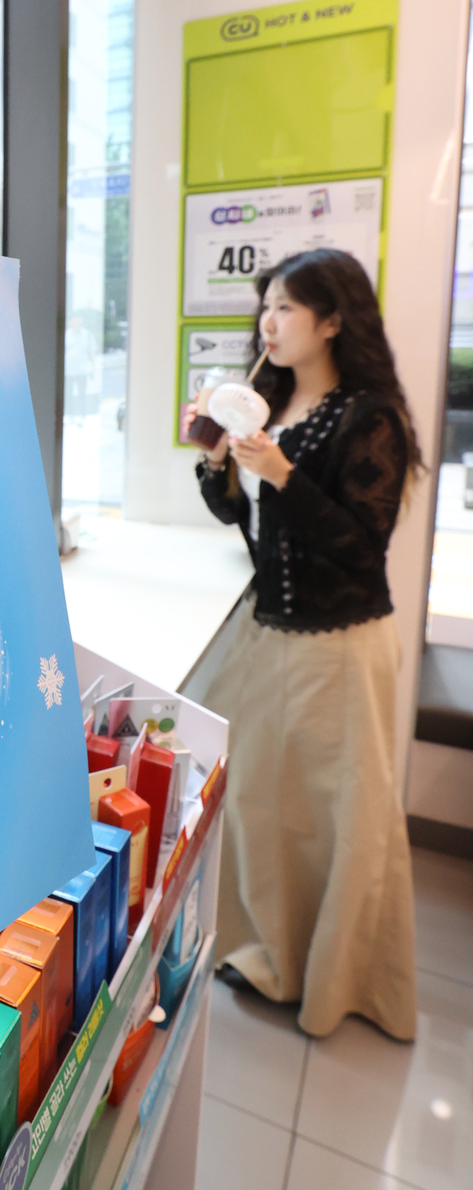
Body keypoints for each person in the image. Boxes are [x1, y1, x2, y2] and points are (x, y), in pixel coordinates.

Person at [194, 247, 420, 1040]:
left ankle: (337, 980)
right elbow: (243, 519)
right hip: (271, 630)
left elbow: (362, 544)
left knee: (340, 812)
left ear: (332, 320)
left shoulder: (370, 417)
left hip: (342, 640)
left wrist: (285, 475)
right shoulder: (269, 402)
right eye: (266, 305)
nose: (269, 321)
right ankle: (265, 952)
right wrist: (220, 461)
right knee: (259, 799)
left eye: (287, 307)